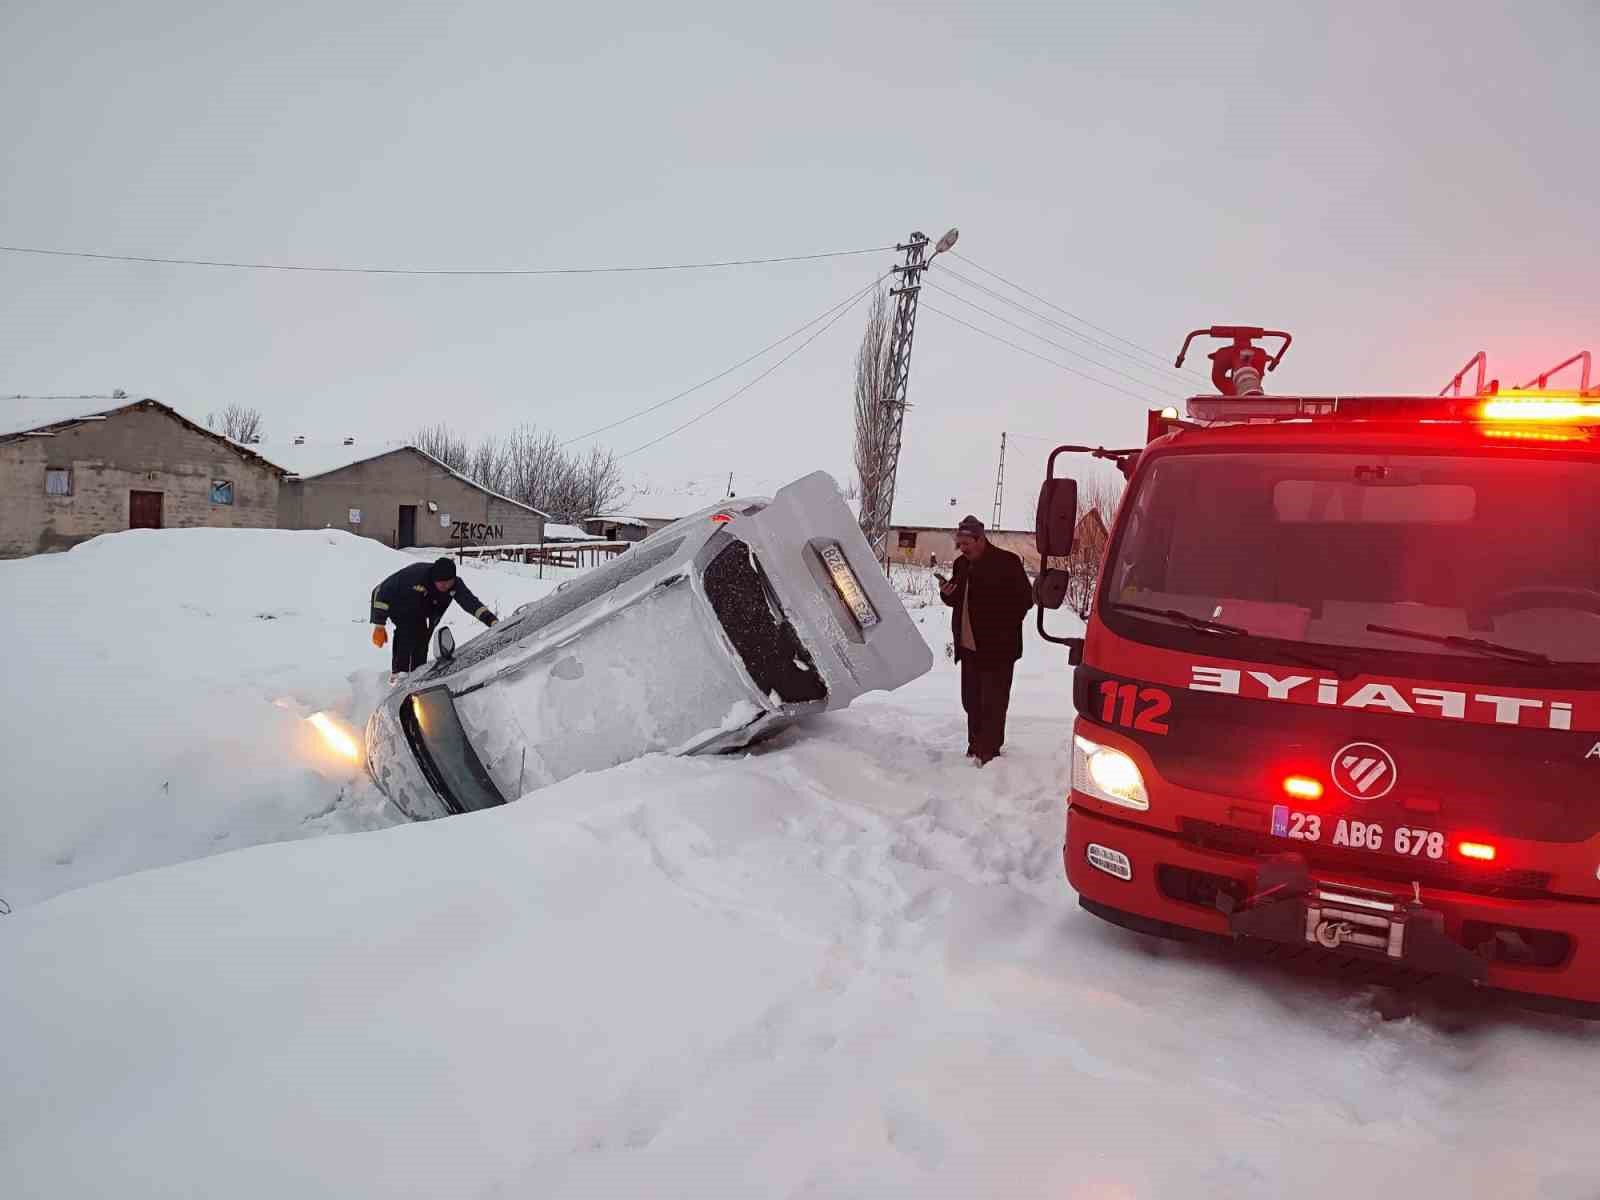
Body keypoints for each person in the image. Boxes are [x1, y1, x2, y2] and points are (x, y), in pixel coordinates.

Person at [939, 516, 1033, 765]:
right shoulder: (961, 565)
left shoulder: (1007, 562)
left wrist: (1000, 624)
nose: (962, 548)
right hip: (969, 647)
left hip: (998, 649)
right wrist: (947, 594)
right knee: (971, 700)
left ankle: (989, 750)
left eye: (966, 543)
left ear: (980, 539)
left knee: (993, 701)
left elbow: (1025, 600)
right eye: (959, 544)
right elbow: (958, 599)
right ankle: (974, 743)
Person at [370, 557, 498, 682]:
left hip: (421, 607)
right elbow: (382, 591)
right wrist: (379, 625)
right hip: (396, 602)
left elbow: (471, 603)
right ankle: (399, 675)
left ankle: (417, 675)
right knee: (406, 631)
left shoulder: (455, 585)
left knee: (422, 637)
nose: (445, 586)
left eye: (448, 582)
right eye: (441, 582)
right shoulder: (415, 576)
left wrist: (492, 621)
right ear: (433, 578)